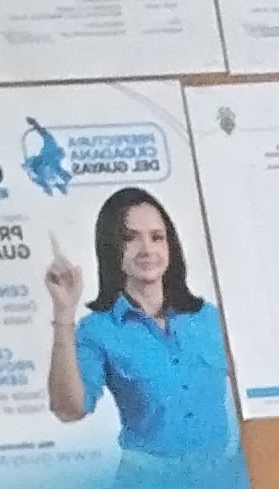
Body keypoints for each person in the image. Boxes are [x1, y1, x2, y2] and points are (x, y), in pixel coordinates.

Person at [45, 187, 237, 472]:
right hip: (148, 482)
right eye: (130, 238)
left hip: (223, 479)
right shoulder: (98, 330)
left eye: (157, 237)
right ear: (112, 249)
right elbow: (70, 409)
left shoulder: (209, 317)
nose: (147, 249)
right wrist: (64, 312)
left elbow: (250, 392)